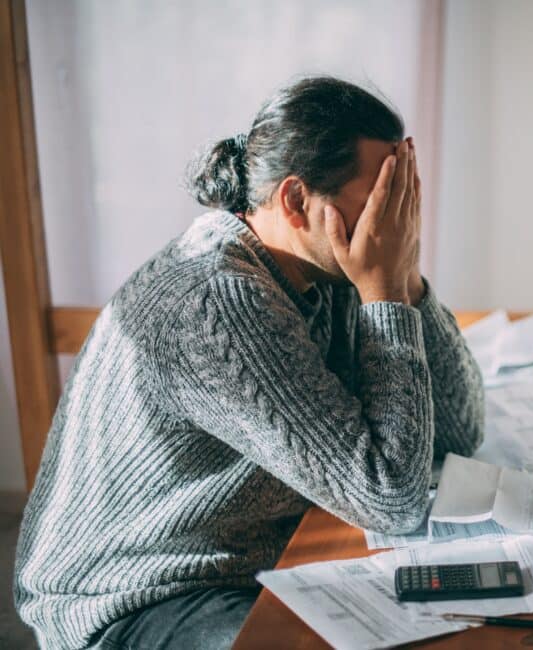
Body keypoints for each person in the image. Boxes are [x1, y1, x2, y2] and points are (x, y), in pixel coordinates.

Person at [14, 76, 485, 649]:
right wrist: (384, 296)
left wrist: (404, 279)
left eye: (401, 199)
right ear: (294, 200)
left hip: (245, 560)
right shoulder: (219, 297)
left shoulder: (330, 267)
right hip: (136, 597)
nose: (392, 222)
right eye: (380, 201)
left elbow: (459, 431)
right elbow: (391, 498)